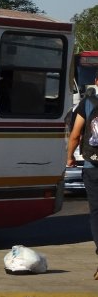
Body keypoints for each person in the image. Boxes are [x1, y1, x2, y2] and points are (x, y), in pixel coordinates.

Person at [66, 71, 98, 280]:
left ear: (96, 81)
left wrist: (69, 157)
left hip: (92, 166)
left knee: (96, 212)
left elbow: (76, 134)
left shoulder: (88, 102)